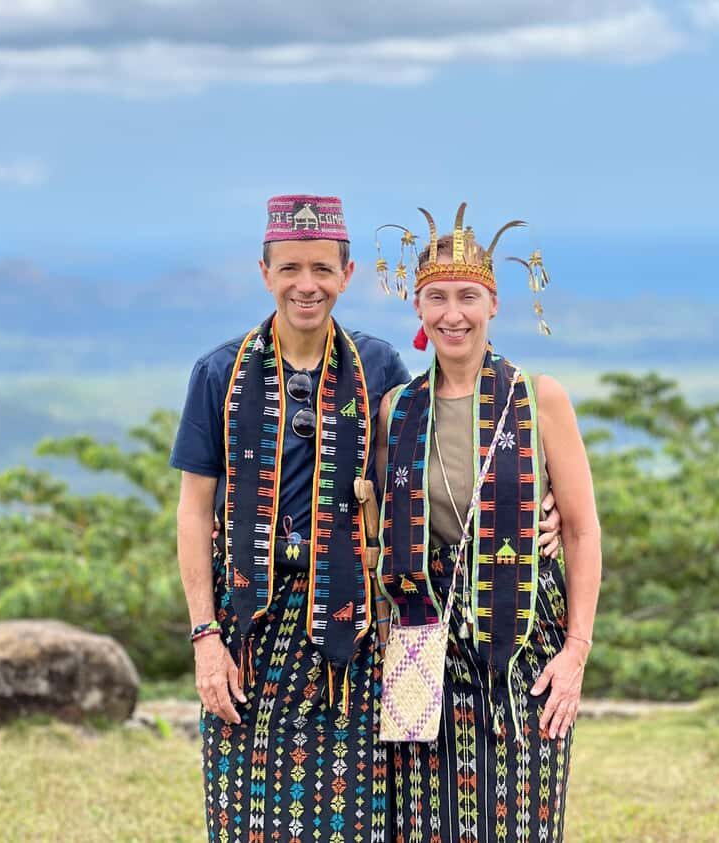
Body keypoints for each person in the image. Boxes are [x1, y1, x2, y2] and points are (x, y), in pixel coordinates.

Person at [170, 194, 564, 843]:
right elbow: (192, 512)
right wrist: (205, 636)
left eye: (322, 269)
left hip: (353, 624)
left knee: (359, 815)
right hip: (248, 622)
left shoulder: (377, 367)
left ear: (346, 276)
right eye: (291, 267)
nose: (307, 284)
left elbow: (434, 444)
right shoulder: (219, 373)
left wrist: (537, 503)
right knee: (244, 816)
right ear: (264, 271)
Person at [375, 204, 602, 842]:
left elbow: (582, 530)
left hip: (526, 625)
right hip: (423, 634)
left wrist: (576, 653)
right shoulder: (399, 408)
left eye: (468, 296)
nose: (453, 313)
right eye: (437, 297)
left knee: (523, 818)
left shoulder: (539, 397)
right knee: (422, 821)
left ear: (494, 303)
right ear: (418, 310)